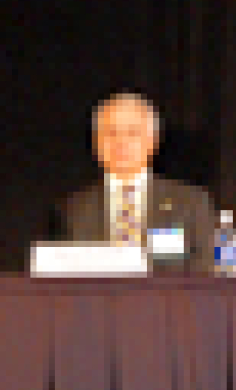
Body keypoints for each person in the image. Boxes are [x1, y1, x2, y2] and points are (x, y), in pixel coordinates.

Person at [57, 92, 216, 274]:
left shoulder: (191, 202)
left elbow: (207, 270)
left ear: (153, 141)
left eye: (132, 133)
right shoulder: (73, 208)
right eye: (111, 133)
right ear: (96, 143)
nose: (121, 143)